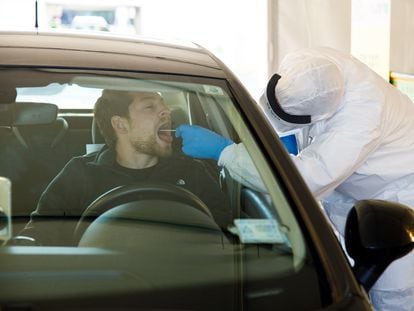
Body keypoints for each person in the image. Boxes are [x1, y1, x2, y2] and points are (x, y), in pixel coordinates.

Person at [175, 47, 414, 310]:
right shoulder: (311, 66)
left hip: (394, 196)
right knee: (351, 274)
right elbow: (297, 103)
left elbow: (302, 180)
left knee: (391, 287)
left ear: (319, 116)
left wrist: (226, 153)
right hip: (351, 193)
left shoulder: (361, 122)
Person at [20, 90, 231, 246]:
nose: (166, 111)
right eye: (150, 107)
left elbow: (228, 236)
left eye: (163, 105)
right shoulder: (81, 173)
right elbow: (40, 234)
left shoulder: (191, 171)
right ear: (120, 124)